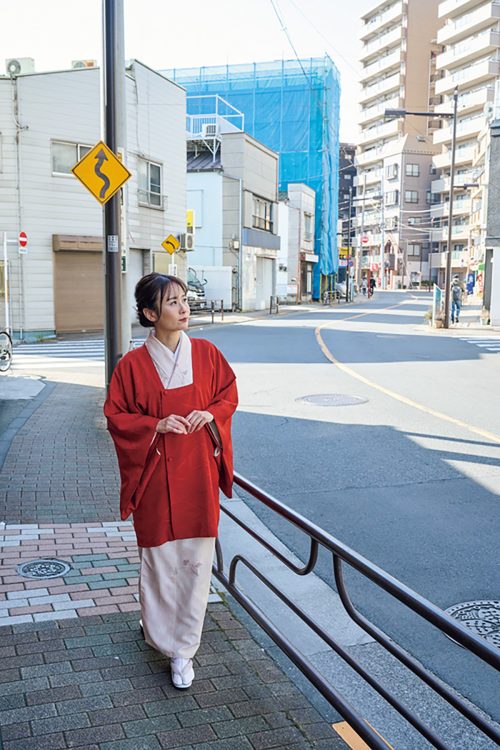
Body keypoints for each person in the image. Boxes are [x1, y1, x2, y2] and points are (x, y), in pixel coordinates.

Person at [104, 273, 238, 690]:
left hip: (196, 475)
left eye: (184, 300)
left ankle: (183, 650)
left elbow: (228, 394)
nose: (184, 308)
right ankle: (159, 633)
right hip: (156, 479)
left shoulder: (208, 354)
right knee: (159, 565)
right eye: (172, 303)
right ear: (149, 314)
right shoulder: (132, 366)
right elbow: (116, 416)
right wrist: (154, 425)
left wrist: (211, 414)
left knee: (196, 565)